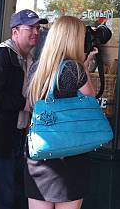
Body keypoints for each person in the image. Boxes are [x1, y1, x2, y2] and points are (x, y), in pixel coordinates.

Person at [0, 9, 46, 209]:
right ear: (15, 32)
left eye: (38, 28)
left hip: (15, 134)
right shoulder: (2, 55)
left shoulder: (26, 58)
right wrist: (23, 104)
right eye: (30, 27)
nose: (36, 32)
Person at [25, 16, 98, 208]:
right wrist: (84, 65)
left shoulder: (37, 67)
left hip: (40, 151)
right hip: (69, 153)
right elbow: (91, 105)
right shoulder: (75, 69)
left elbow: (28, 104)